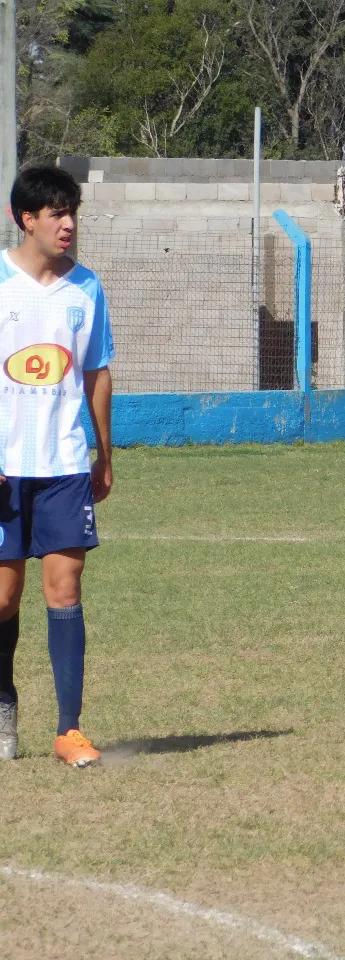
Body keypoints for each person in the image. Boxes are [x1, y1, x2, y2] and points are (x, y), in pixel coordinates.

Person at [0, 165, 115, 766]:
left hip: (65, 464)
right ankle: (2, 702)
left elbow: (97, 372)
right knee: (3, 598)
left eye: (73, 212)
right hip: (5, 466)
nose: (68, 224)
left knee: (64, 588)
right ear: (27, 219)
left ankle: (69, 730)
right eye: (55, 213)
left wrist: (104, 449)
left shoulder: (87, 289)